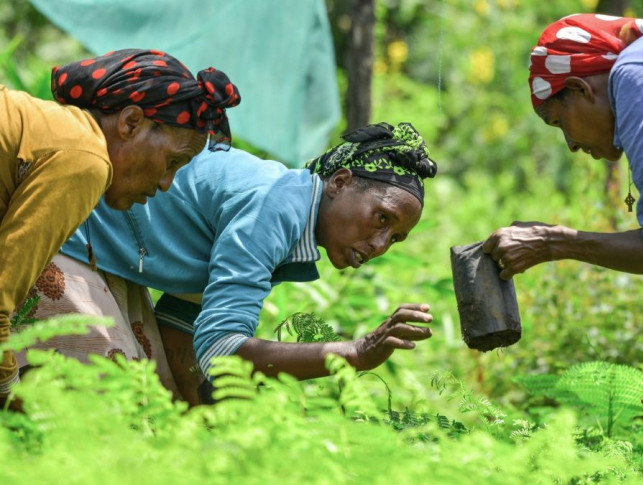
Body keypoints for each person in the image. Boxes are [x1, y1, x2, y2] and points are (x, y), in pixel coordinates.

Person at [15, 122, 437, 405]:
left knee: (161, 402)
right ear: (340, 183)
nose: (381, 243)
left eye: (395, 237)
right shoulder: (277, 209)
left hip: (105, 253)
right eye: (382, 218)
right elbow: (222, 351)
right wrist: (354, 353)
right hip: (66, 231)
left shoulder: (293, 215)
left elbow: (184, 323)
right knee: (122, 402)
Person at [482, 5, 643, 412]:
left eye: (558, 122)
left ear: (582, 90)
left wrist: (554, 242)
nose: (570, 144)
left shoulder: (637, 74)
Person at [0, 48, 240, 407]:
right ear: (130, 123)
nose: (166, 183)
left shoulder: (56, 132)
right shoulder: (85, 160)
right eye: (172, 161)